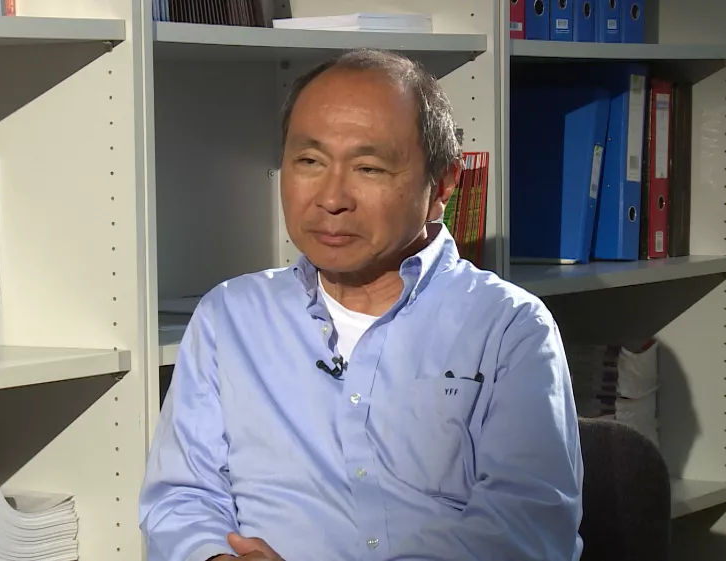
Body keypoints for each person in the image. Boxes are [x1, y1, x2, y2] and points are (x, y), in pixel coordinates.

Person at [139, 48, 583, 561]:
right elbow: (181, 498)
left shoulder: (509, 327)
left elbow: (525, 532)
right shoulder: (230, 317)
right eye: (309, 162)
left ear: (442, 186)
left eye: (368, 168)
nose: (331, 199)